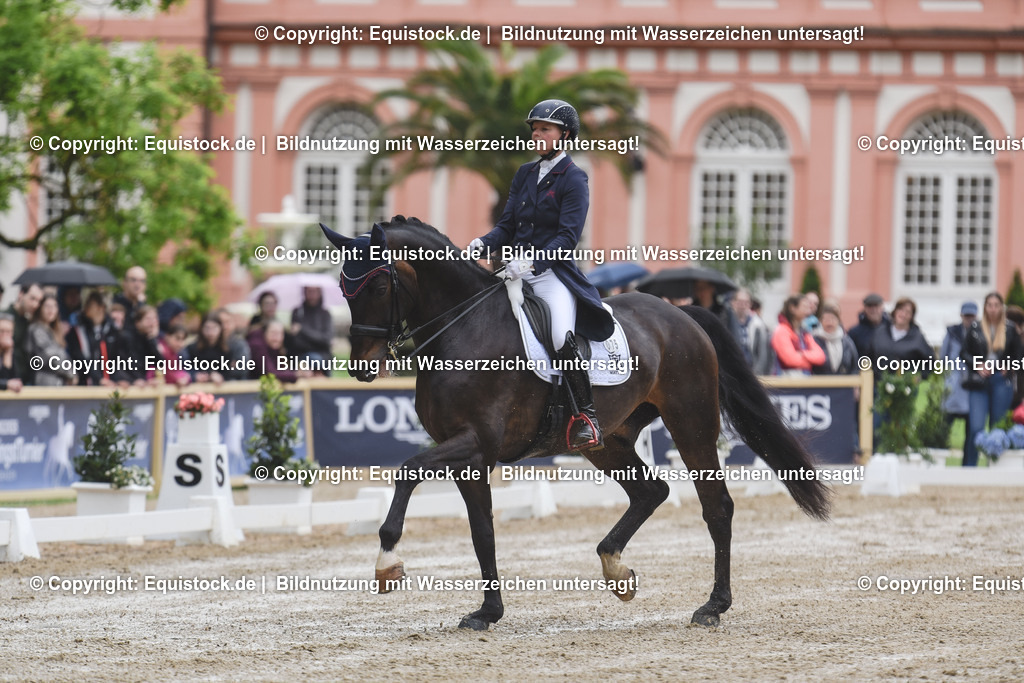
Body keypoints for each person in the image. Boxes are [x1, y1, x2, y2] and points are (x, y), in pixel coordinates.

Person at [468, 99, 614, 450]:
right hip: (513, 272)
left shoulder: (574, 178)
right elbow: (505, 227)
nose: (537, 134)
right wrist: (480, 244)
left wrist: (532, 262)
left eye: (544, 129)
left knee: (561, 336)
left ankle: (586, 416)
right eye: (534, 129)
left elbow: (567, 237)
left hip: (552, 276)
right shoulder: (524, 174)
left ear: (564, 135)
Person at [961, 292, 1024, 467]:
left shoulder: (1010, 329)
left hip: (1001, 382)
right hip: (980, 382)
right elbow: (964, 353)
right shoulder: (975, 327)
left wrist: (1009, 365)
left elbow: (1019, 354)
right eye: (990, 305)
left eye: (997, 305)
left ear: (1001, 307)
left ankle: (995, 467)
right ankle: (970, 468)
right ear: (985, 307)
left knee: (997, 426)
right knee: (976, 427)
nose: (993, 309)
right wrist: (977, 364)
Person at [65, 291, 123, 386]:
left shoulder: (112, 331)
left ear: (101, 308)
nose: (86, 308)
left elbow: (119, 359)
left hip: (111, 383)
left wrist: (119, 378)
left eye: (90, 304)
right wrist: (98, 378)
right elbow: (80, 359)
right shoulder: (78, 331)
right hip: (85, 384)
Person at [939, 302, 976, 434]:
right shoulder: (952, 332)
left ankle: (969, 455)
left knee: (971, 426)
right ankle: (939, 449)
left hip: (972, 381)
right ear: (961, 315)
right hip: (953, 381)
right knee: (945, 421)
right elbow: (943, 356)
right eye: (966, 316)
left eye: (971, 316)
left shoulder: (980, 332)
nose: (969, 319)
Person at [870, 297, 933, 373]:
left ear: (911, 316)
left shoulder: (917, 338)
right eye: (900, 309)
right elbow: (870, 355)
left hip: (905, 383)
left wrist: (918, 377)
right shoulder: (880, 332)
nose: (903, 314)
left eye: (907, 312)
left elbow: (930, 363)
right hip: (879, 382)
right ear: (895, 311)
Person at [26, 293, 76, 386]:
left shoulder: (54, 332)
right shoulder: (36, 330)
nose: (51, 310)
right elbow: (50, 358)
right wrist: (70, 374)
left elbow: (63, 357)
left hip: (58, 384)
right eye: (47, 306)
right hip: (43, 384)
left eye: (54, 306)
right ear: (40, 308)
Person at [771, 294, 825, 375]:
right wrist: (810, 363)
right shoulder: (781, 331)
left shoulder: (804, 333)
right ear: (793, 308)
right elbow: (790, 360)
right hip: (786, 382)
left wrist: (802, 354)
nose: (808, 308)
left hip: (803, 380)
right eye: (804, 306)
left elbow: (821, 356)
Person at [248, 320, 313, 383]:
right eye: (273, 333)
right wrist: (296, 374)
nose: (277, 338)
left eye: (280, 334)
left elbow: (281, 370)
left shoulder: (275, 347)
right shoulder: (257, 346)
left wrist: (301, 373)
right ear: (264, 333)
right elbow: (270, 373)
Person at [289, 287, 332, 374]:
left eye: (314, 291)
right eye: (309, 291)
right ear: (304, 292)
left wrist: (302, 330)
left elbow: (326, 340)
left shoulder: (325, 314)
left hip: (323, 355)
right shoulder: (298, 312)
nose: (311, 294)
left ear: (320, 293)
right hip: (301, 355)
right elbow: (295, 340)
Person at [4, 283, 43, 378]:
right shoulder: (4, 317)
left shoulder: (28, 323)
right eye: (32, 298)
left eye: (39, 301)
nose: (35, 305)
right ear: (21, 294)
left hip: (24, 379)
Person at [731, 287, 772, 375]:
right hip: (733, 372)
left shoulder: (758, 325)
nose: (742, 305)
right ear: (733, 303)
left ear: (750, 304)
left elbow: (763, 354)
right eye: (739, 302)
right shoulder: (727, 323)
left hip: (753, 373)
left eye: (745, 302)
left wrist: (757, 375)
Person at [183, 312, 230, 384]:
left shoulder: (227, 349)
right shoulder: (191, 349)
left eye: (214, 328)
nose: (210, 333)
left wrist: (220, 377)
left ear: (220, 328)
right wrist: (195, 376)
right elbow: (186, 369)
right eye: (207, 328)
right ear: (201, 329)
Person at [812, 302, 858, 376]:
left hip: (844, 385)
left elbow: (854, 366)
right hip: (819, 385)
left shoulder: (846, 341)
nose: (829, 322)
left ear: (838, 321)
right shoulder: (814, 340)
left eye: (833, 319)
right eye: (826, 319)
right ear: (820, 321)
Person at [215, 307, 251, 380]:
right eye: (220, 323)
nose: (224, 326)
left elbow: (241, 369)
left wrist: (220, 373)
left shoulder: (239, 344)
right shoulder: (207, 345)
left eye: (227, 322)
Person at [848, 293, 887, 358]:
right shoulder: (854, 332)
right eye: (870, 306)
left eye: (876, 306)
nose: (873, 310)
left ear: (882, 307)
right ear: (865, 308)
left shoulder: (890, 329)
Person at [157, 322, 191, 386]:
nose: (180, 344)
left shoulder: (177, 353)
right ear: (167, 336)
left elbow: (180, 370)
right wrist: (178, 378)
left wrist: (186, 377)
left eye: (183, 339)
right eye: (177, 338)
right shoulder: (160, 350)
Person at [0, 313, 24, 392]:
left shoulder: (10, 351)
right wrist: (6, 384)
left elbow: (15, 380)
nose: (5, 335)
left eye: (8, 332)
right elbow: (8, 383)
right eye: (1, 331)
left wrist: (8, 354)